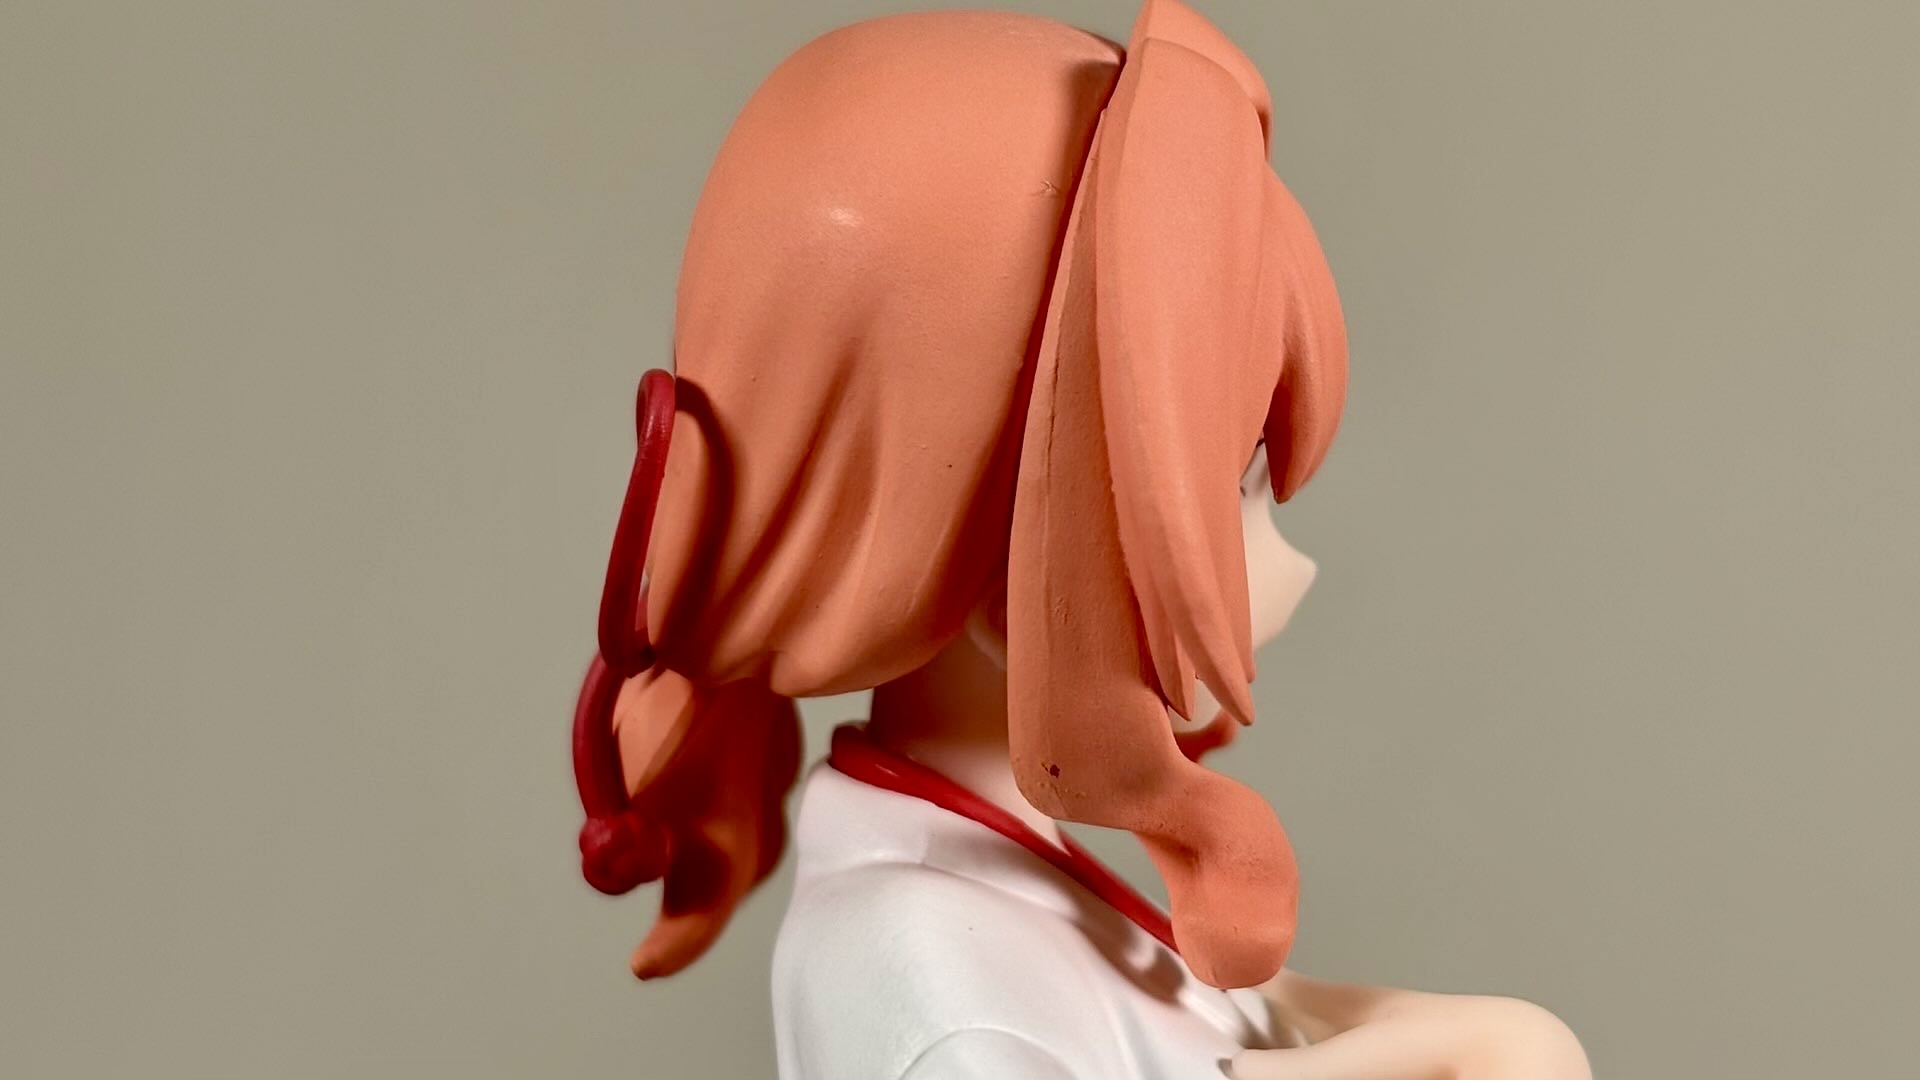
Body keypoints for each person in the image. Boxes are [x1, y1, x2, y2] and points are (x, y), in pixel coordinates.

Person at [567, 3, 1590, 1077]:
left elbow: (1225, 1025)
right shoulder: (943, 989)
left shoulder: (989, 893)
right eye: (1238, 487)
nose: (1292, 566)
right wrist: (1507, 1053)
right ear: (1015, 565)